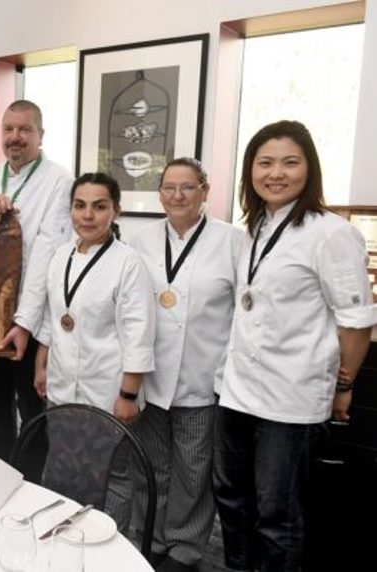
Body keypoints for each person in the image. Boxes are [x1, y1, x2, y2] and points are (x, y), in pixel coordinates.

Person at [214, 120, 376, 572]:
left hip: (290, 400)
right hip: (238, 391)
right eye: (265, 163)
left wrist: (342, 384)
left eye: (290, 162)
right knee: (231, 498)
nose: (276, 173)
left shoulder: (330, 233)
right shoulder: (253, 228)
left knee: (277, 516)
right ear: (250, 171)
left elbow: (356, 321)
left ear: (310, 168)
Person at [127, 158, 242, 572]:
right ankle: (154, 536)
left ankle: (185, 548)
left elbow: (244, 313)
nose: (178, 196)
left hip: (202, 375)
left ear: (205, 191)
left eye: (188, 187)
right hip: (151, 374)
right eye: (169, 187)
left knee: (194, 470)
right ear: (159, 192)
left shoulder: (233, 241)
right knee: (152, 465)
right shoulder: (138, 240)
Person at [34, 171, 155, 528]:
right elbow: (52, 317)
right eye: (80, 206)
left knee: (112, 475)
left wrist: (128, 394)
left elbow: (139, 333)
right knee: (64, 465)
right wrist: (41, 365)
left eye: (99, 207)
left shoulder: (127, 262)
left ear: (116, 211)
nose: (87, 215)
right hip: (62, 386)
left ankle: (109, 545)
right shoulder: (61, 256)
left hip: (108, 391)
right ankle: (65, 536)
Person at [0, 99, 73, 462]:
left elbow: (47, 254)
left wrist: (24, 323)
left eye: (25, 130)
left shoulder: (59, 180)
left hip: (31, 319)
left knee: (33, 411)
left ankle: (29, 487)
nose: (16, 137)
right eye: (9, 129)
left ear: (40, 135)